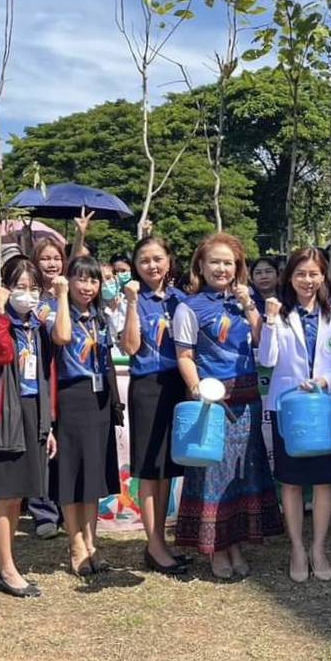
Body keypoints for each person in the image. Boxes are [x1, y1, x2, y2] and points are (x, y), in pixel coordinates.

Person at [172, 234, 283, 579]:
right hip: (212, 403)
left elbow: (263, 342)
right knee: (212, 476)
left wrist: (249, 305)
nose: (221, 268)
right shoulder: (188, 307)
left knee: (241, 473)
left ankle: (235, 542)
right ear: (201, 265)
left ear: (238, 268)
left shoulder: (245, 302)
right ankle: (217, 549)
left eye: (228, 263)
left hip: (247, 400)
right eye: (214, 262)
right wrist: (199, 390)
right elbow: (185, 356)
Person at [258, 248, 331, 582]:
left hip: (325, 409)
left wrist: (325, 381)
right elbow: (268, 359)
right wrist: (270, 321)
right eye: (300, 273)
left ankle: (318, 548)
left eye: (314, 273)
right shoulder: (279, 314)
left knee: (324, 481)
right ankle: (298, 548)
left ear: (323, 277)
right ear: (289, 277)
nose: (307, 280)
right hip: (289, 410)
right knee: (291, 482)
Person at [0, 259, 58, 597]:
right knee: (6, 494)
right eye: (20, 287)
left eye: (33, 288)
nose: (28, 294)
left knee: (18, 496)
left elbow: (45, 376)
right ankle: (5, 569)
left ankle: (5, 562)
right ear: (5, 289)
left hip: (32, 412)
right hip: (5, 414)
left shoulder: (36, 327)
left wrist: (48, 425)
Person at [119, 235, 190, 575]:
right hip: (147, 386)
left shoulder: (180, 300)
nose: (152, 265)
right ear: (136, 265)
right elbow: (131, 347)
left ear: (169, 261)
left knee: (167, 469)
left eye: (157, 258)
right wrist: (132, 303)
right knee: (149, 470)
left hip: (176, 383)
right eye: (144, 260)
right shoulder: (132, 299)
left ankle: (159, 540)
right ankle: (155, 544)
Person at [48, 256, 120, 576]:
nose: (88, 286)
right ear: (68, 281)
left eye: (93, 280)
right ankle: (75, 542)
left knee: (93, 473)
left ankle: (92, 542)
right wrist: (62, 296)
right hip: (70, 396)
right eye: (80, 279)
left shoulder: (100, 317)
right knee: (70, 472)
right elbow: (62, 337)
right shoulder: (55, 310)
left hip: (99, 398)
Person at [27, 235, 67, 538]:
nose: (52, 264)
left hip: (67, 374)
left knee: (64, 442)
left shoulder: (70, 293)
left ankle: (66, 505)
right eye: (45, 258)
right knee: (42, 442)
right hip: (39, 373)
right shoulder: (31, 297)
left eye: (56, 258)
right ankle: (42, 511)